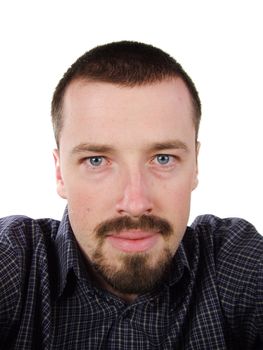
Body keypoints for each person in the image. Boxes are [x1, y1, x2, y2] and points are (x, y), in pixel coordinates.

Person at [0, 41, 262, 350]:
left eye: (163, 158)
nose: (135, 203)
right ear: (60, 174)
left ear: (195, 166)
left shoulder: (231, 262)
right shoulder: (17, 262)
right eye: (96, 160)